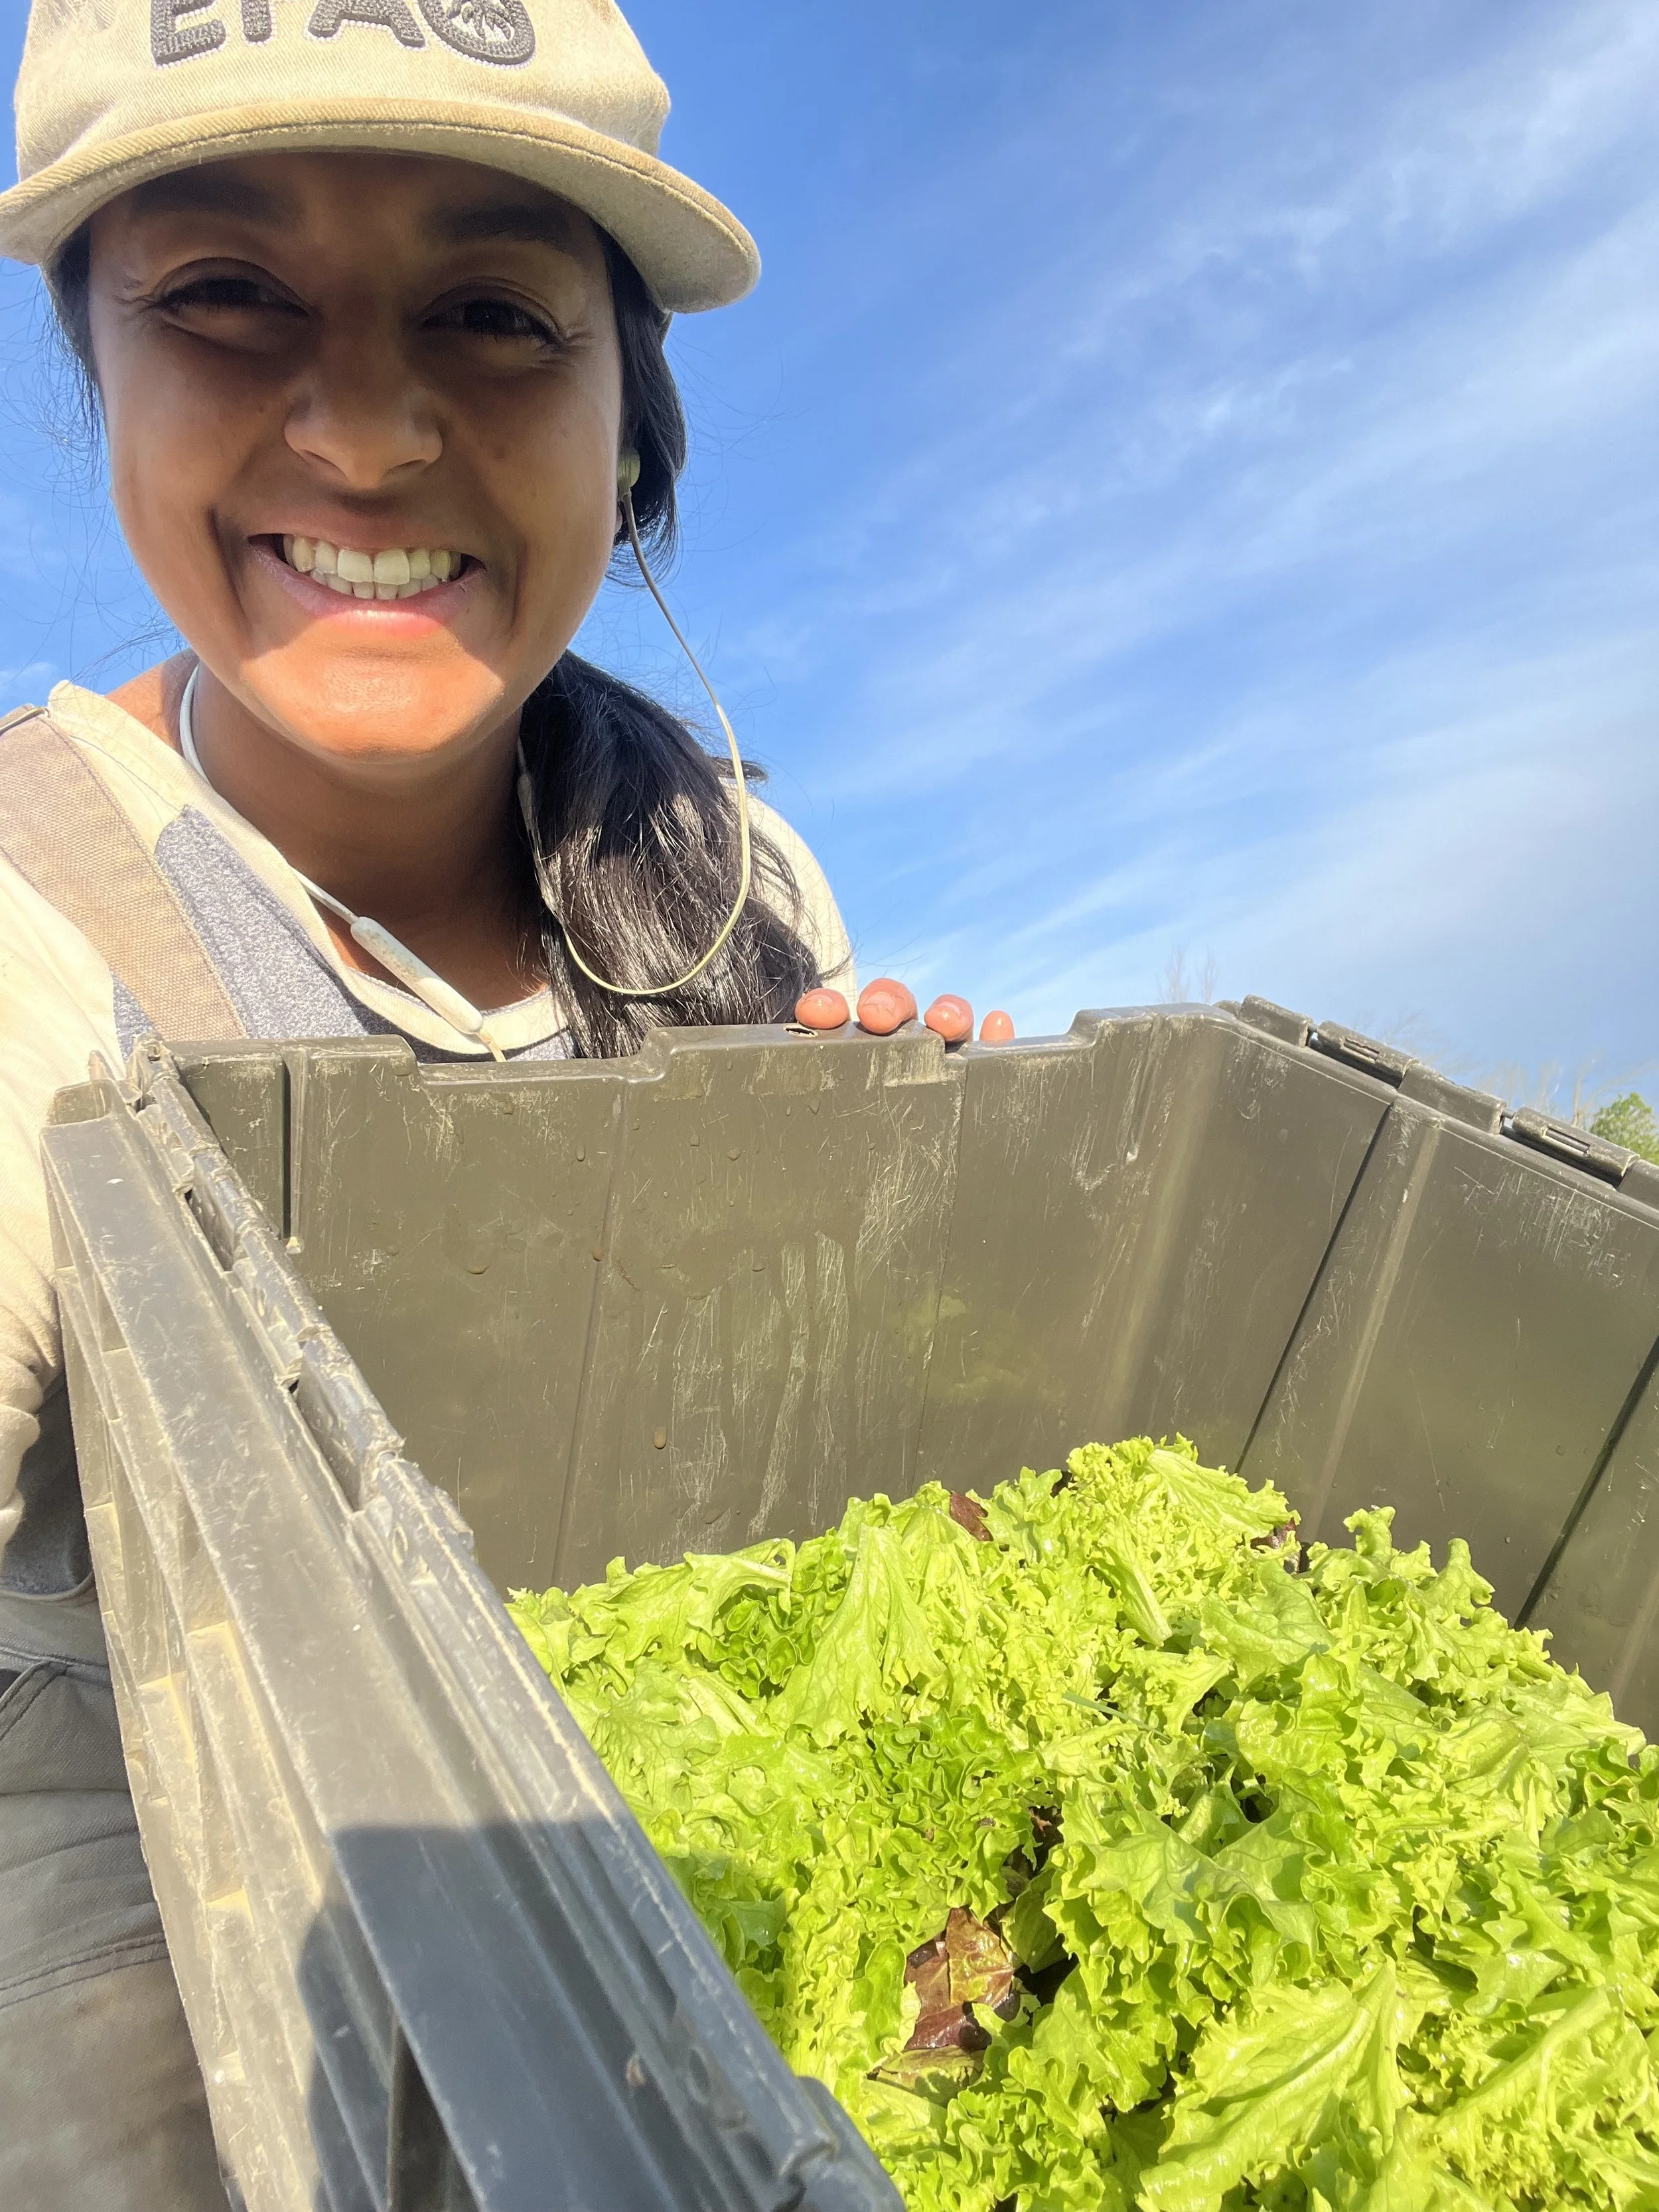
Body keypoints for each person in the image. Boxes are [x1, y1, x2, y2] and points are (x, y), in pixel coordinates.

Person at [0, 0, 981, 2197]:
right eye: (227, 293)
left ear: (631, 427)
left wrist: (942, 1258)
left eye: (491, 312)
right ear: (97, 367)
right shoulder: (37, 916)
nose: (364, 429)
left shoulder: (737, 875)